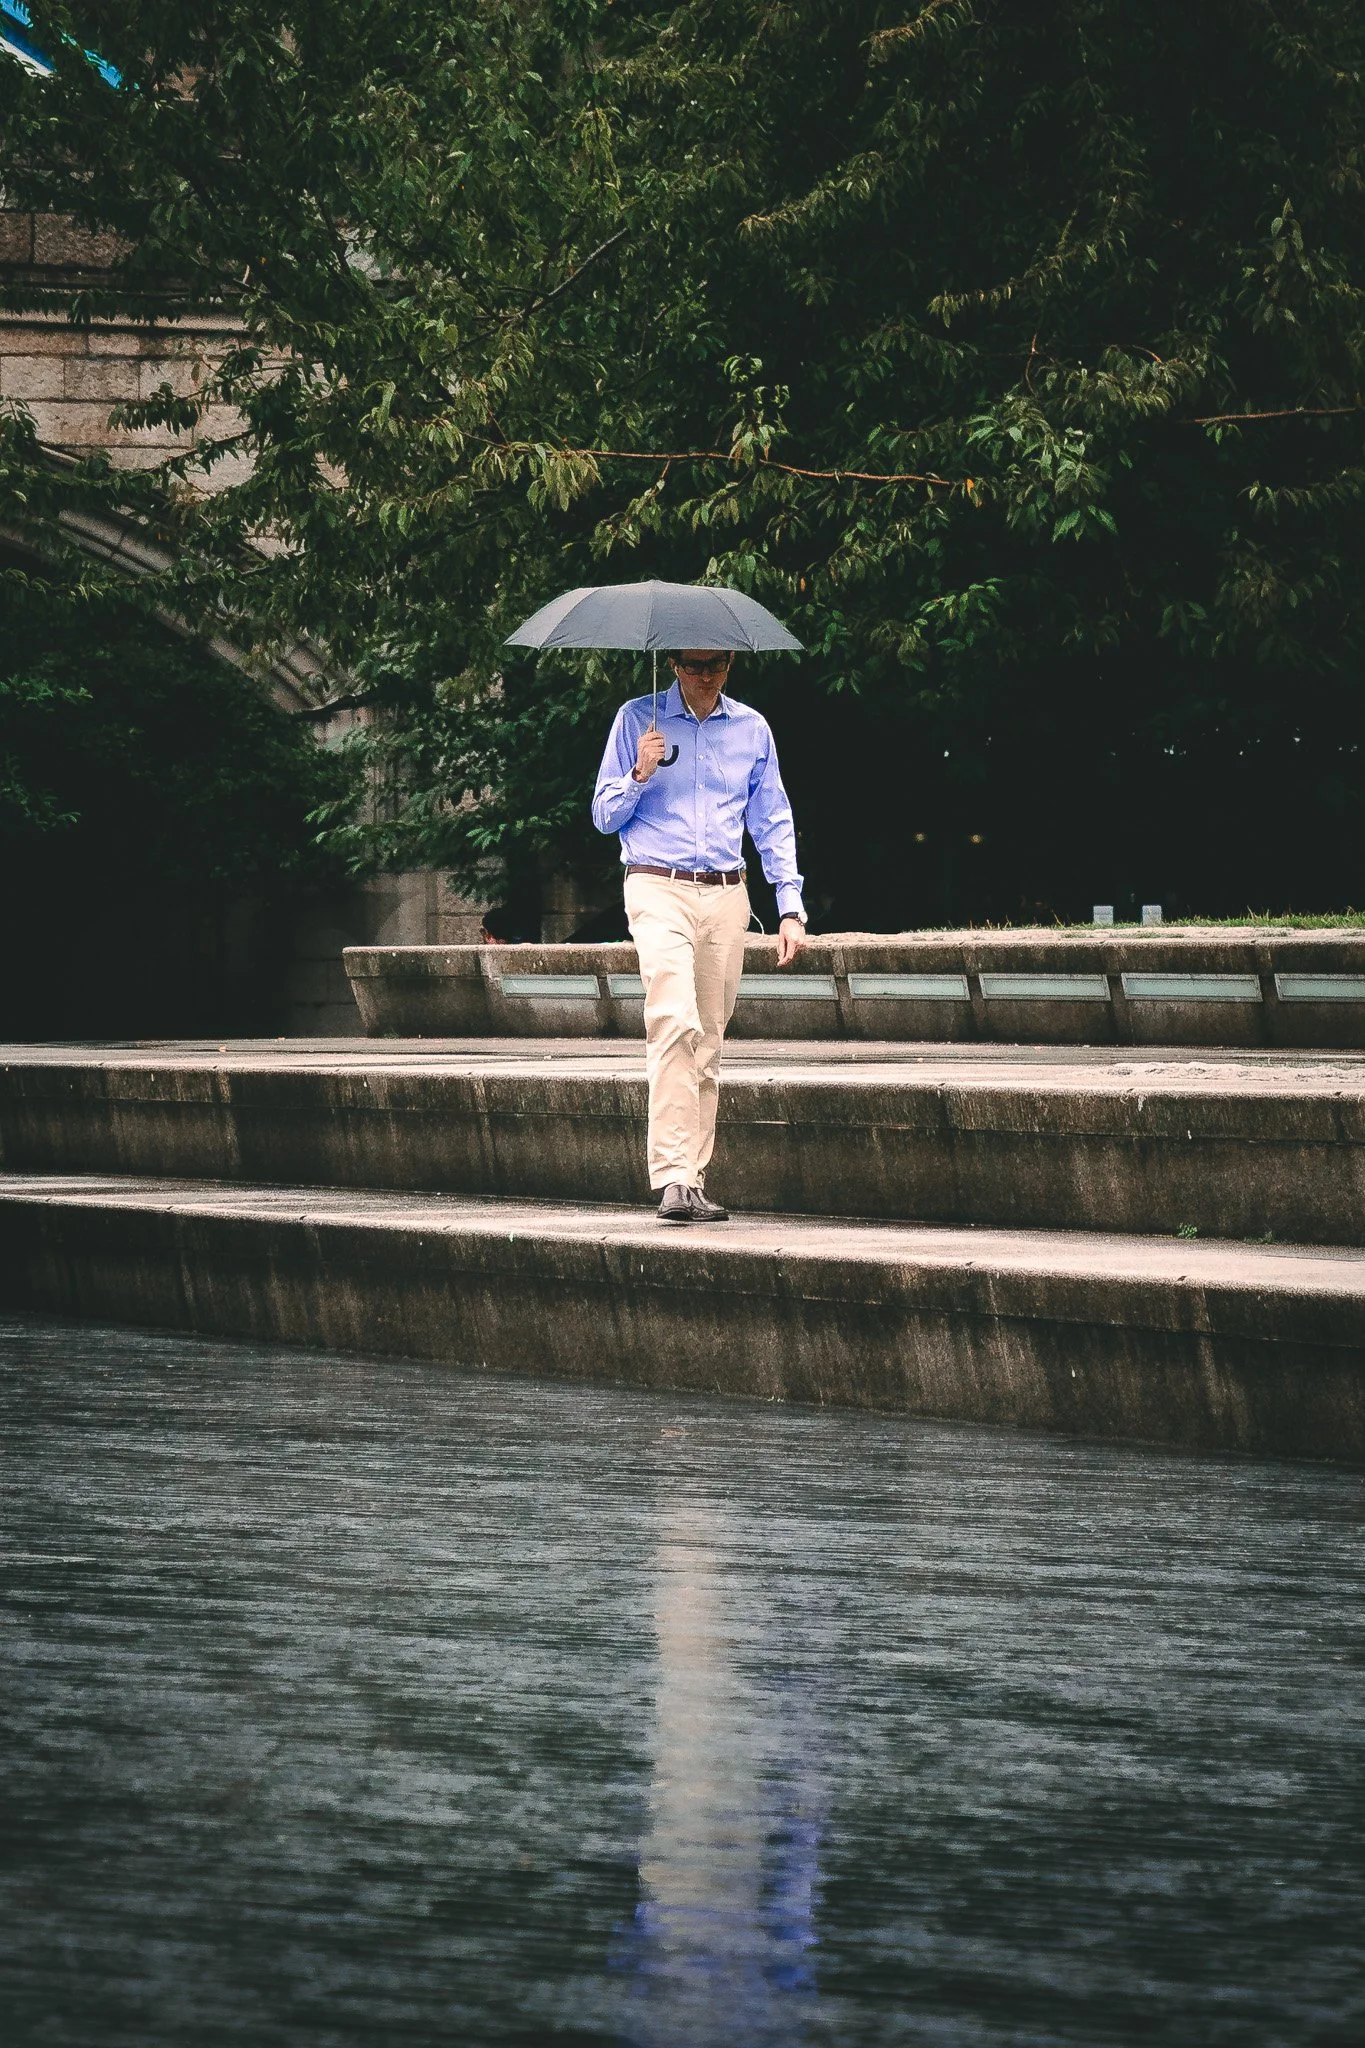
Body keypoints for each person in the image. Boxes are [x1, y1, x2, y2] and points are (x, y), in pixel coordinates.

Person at [591, 648, 807, 1223]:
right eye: (691, 666)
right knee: (673, 1018)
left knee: (707, 1040)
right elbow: (602, 815)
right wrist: (639, 773)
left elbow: (771, 816)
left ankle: (691, 1178)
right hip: (656, 884)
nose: (702, 676)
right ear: (673, 665)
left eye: (713, 665)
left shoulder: (751, 728)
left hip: (725, 894)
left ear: (730, 665)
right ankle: (669, 1178)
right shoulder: (638, 719)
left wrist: (790, 906)